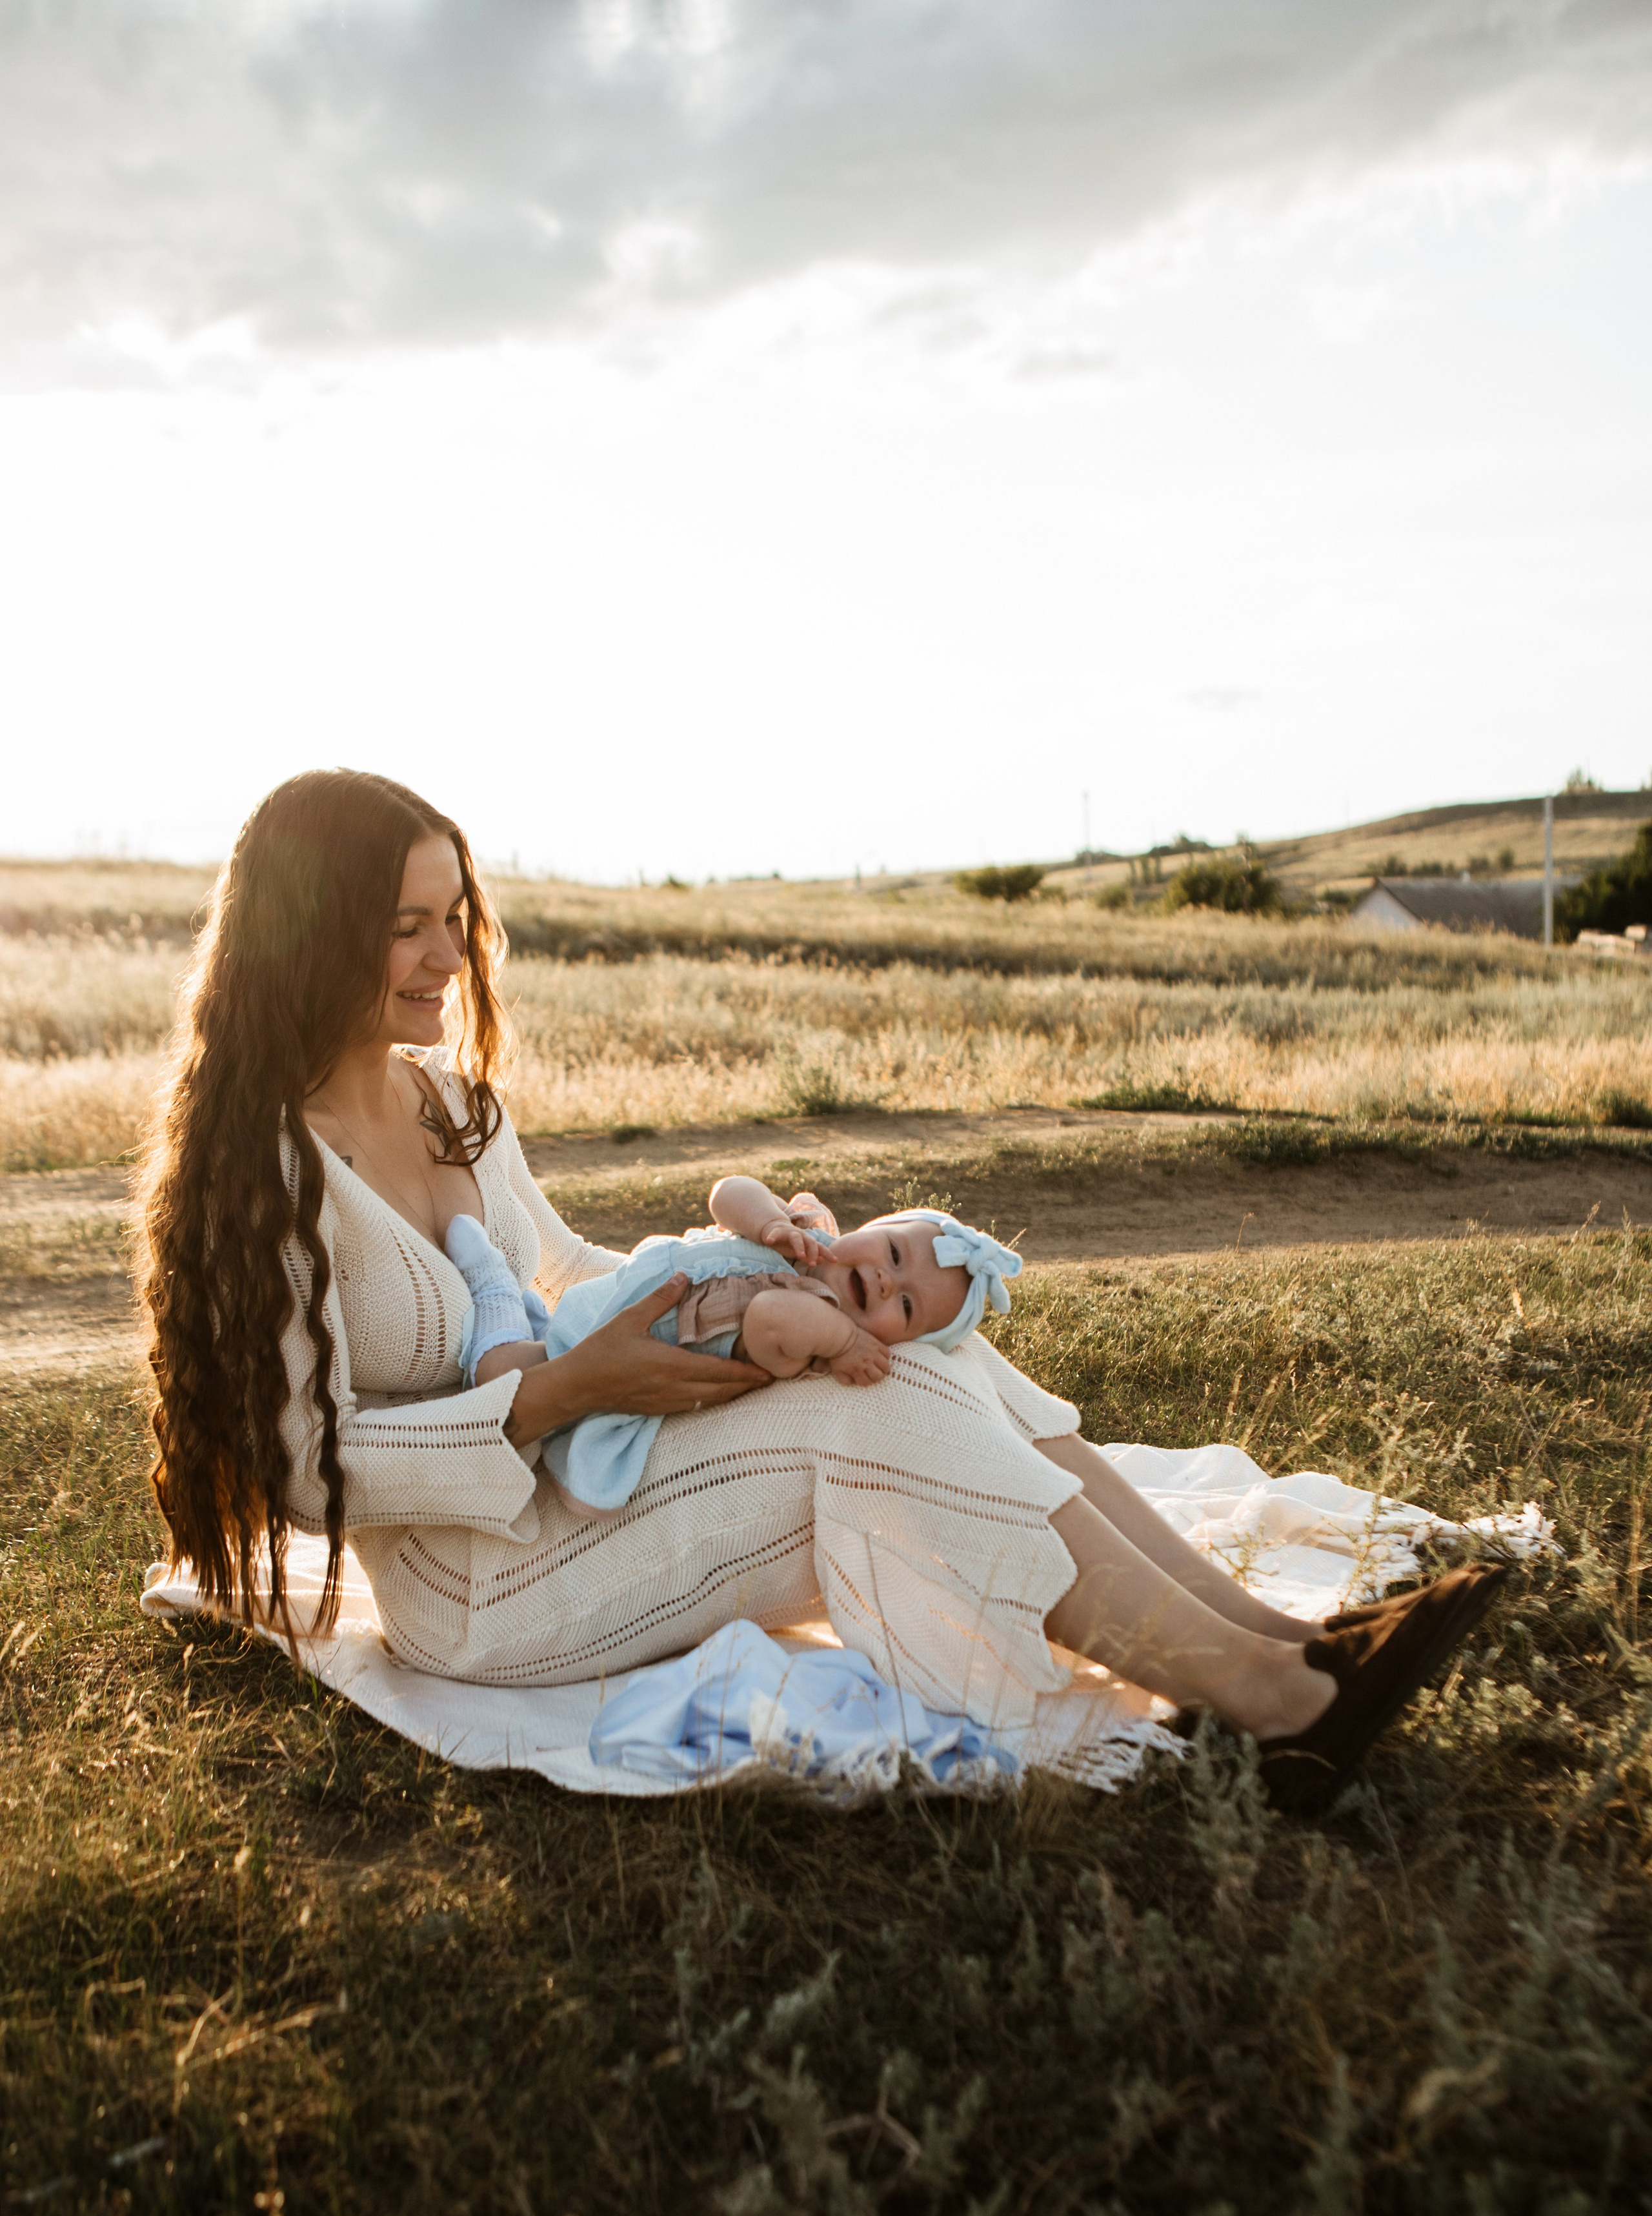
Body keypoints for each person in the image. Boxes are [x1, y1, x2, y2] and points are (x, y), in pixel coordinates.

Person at [139, 770, 1502, 1814]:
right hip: (484, 1585)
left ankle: (1276, 1647)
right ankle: (1272, 1707)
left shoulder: (446, 1103)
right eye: (407, 929)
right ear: (314, 939)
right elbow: (299, 1471)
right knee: (857, 1413)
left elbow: (562, 1272)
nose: (450, 957)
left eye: (455, 919)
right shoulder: (271, 1175)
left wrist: (750, 1277)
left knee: (913, 1353)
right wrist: (567, 1390)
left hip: (592, 1470)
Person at [440, 1178, 1022, 1513]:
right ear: (876, 1226)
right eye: (894, 1253)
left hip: (602, 1361)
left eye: (909, 1308)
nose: (888, 1281)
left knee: (498, 1383)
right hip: (610, 1304)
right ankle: (512, 1302)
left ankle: (494, 1288)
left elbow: (769, 1315)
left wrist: (844, 1340)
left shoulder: (813, 1326)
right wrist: (770, 1221)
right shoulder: (809, 1237)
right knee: (528, 1352)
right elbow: (726, 1194)